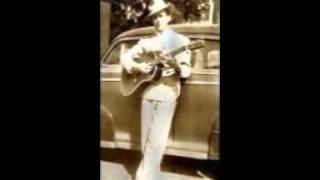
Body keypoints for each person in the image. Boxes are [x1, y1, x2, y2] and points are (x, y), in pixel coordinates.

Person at [120, 0, 192, 179]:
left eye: (161, 16)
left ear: (168, 16)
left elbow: (186, 71)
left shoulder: (181, 41)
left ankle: (142, 177)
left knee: (156, 142)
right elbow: (125, 57)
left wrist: (176, 66)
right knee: (146, 141)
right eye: (154, 17)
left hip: (167, 92)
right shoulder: (147, 42)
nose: (157, 20)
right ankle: (152, 175)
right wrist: (138, 68)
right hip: (148, 92)